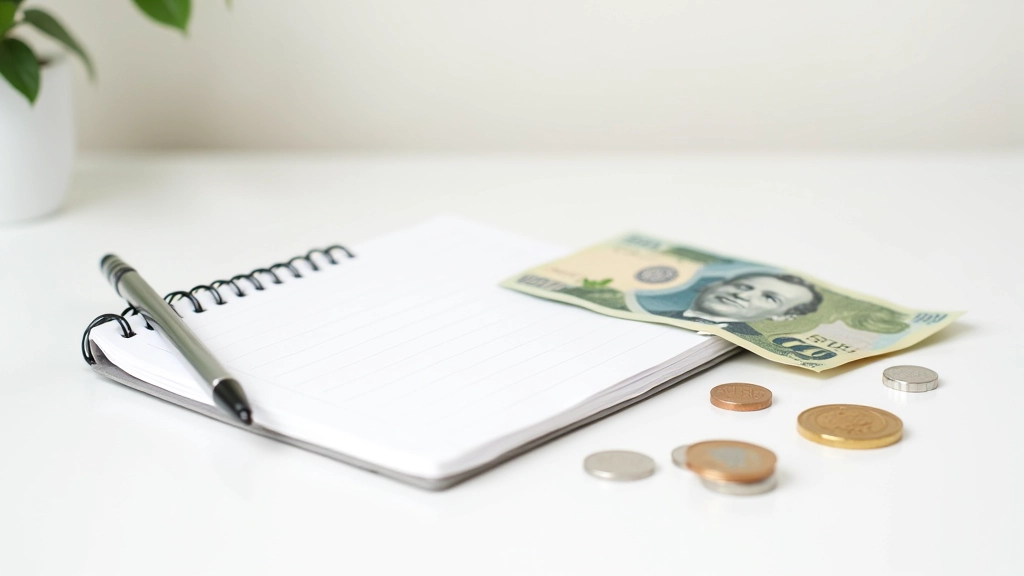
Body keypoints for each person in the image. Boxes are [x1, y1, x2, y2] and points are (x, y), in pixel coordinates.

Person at [631, 272, 822, 333]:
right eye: (744, 287)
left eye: (769, 297)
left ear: (785, 316)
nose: (743, 296)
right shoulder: (645, 318)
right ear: (714, 284)